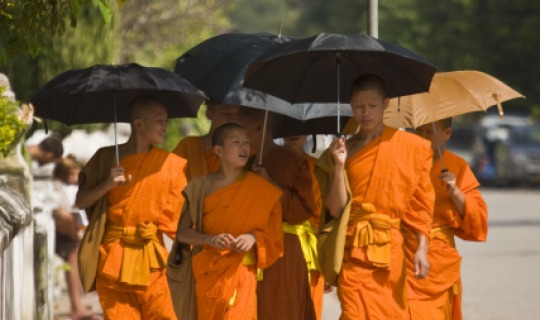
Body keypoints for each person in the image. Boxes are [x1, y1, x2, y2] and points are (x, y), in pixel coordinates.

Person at [317, 75, 435, 319]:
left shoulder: (411, 147)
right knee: (352, 313)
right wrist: (339, 167)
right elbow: (336, 209)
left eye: (372, 106)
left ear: (386, 104)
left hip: (390, 250)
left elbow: (421, 204)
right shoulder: (344, 149)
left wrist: (422, 247)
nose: (366, 113)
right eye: (359, 107)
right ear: (351, 105)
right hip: (353, 248)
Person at [75, 95, 188, 319]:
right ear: (138, 124)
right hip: (113, 256)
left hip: (153, 258)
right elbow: (81, 201)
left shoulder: (170, 164)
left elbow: (181, 218)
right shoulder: (107, 158)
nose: (165, 126)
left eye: (166, 120)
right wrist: (107, 184)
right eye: (159, 120)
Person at [176, 122, 284, 320]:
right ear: (218, 150)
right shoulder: (200, 186)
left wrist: (253, 237)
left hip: (241, 271)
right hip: (209, 272)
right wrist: (209, 239)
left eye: (246, 143)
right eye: (236, 142)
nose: (244, 147)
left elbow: (274, 235)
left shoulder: (259, 188)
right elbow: (182, 233)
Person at [238, 108, 317, 320]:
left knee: (280, 311)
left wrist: (270, 183)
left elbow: (301, 212)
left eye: (239, 129)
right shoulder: (242, 162)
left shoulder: (292, 161)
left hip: (282, 251)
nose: (236, 137)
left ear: (258, 126)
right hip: (246, 249)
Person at [405, 118, 488, 320]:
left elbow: (478, 219)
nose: (423, 137)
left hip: (438, 258)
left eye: (429, 132)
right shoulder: (403, 163)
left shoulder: (457, 166)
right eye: (419, 131)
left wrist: (455, 192)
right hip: (405, 251)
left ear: (447, 134)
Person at [282, 134, 326, 320]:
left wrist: (325, 261)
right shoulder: (266, 163)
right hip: (276, 245)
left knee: (309, 309)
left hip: (310, 248)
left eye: (299, 127)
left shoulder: (318, 168)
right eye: (289, 127)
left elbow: (324, 218)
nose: (294, 132)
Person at [53, 157, 101, 320]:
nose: (76, 177)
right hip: (69, 233)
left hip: (74, 231)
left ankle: (78, 305)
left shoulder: (66, 189)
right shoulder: (63, 190)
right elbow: (72, 212)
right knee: (72, 267)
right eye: (72, 174)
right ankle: (76, 307)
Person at [173, 100, 239, 180]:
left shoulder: (244, 153)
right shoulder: (188, 146)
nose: (232, 119)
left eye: (236, 115)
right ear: (209, 114)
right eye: (227, 114)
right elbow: (169, 178)